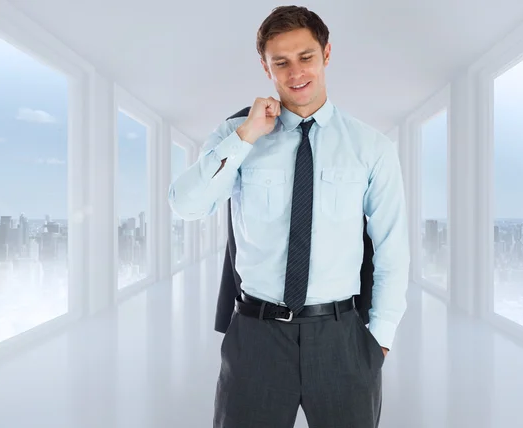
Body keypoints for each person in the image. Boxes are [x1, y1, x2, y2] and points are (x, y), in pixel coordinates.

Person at [168, 5, 410, 428]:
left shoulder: (371, 147)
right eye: (281, 62)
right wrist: (246, 136)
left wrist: (381, 340)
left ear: (326, 54)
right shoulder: (236, 135)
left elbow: (392, 247)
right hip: (256, 336)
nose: (295, 72)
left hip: (341, 338)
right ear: (266, 67)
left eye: (306, 57)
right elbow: (186, 205)